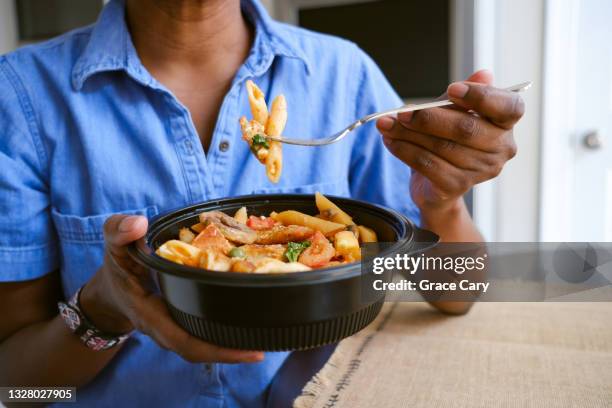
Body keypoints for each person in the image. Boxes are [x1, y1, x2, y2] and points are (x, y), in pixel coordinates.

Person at [0, 0, 523, 406]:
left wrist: (443, 203)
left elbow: (457, 293)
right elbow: (14, 390)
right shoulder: (21, 96)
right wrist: (103, 309)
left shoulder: (344, 74)